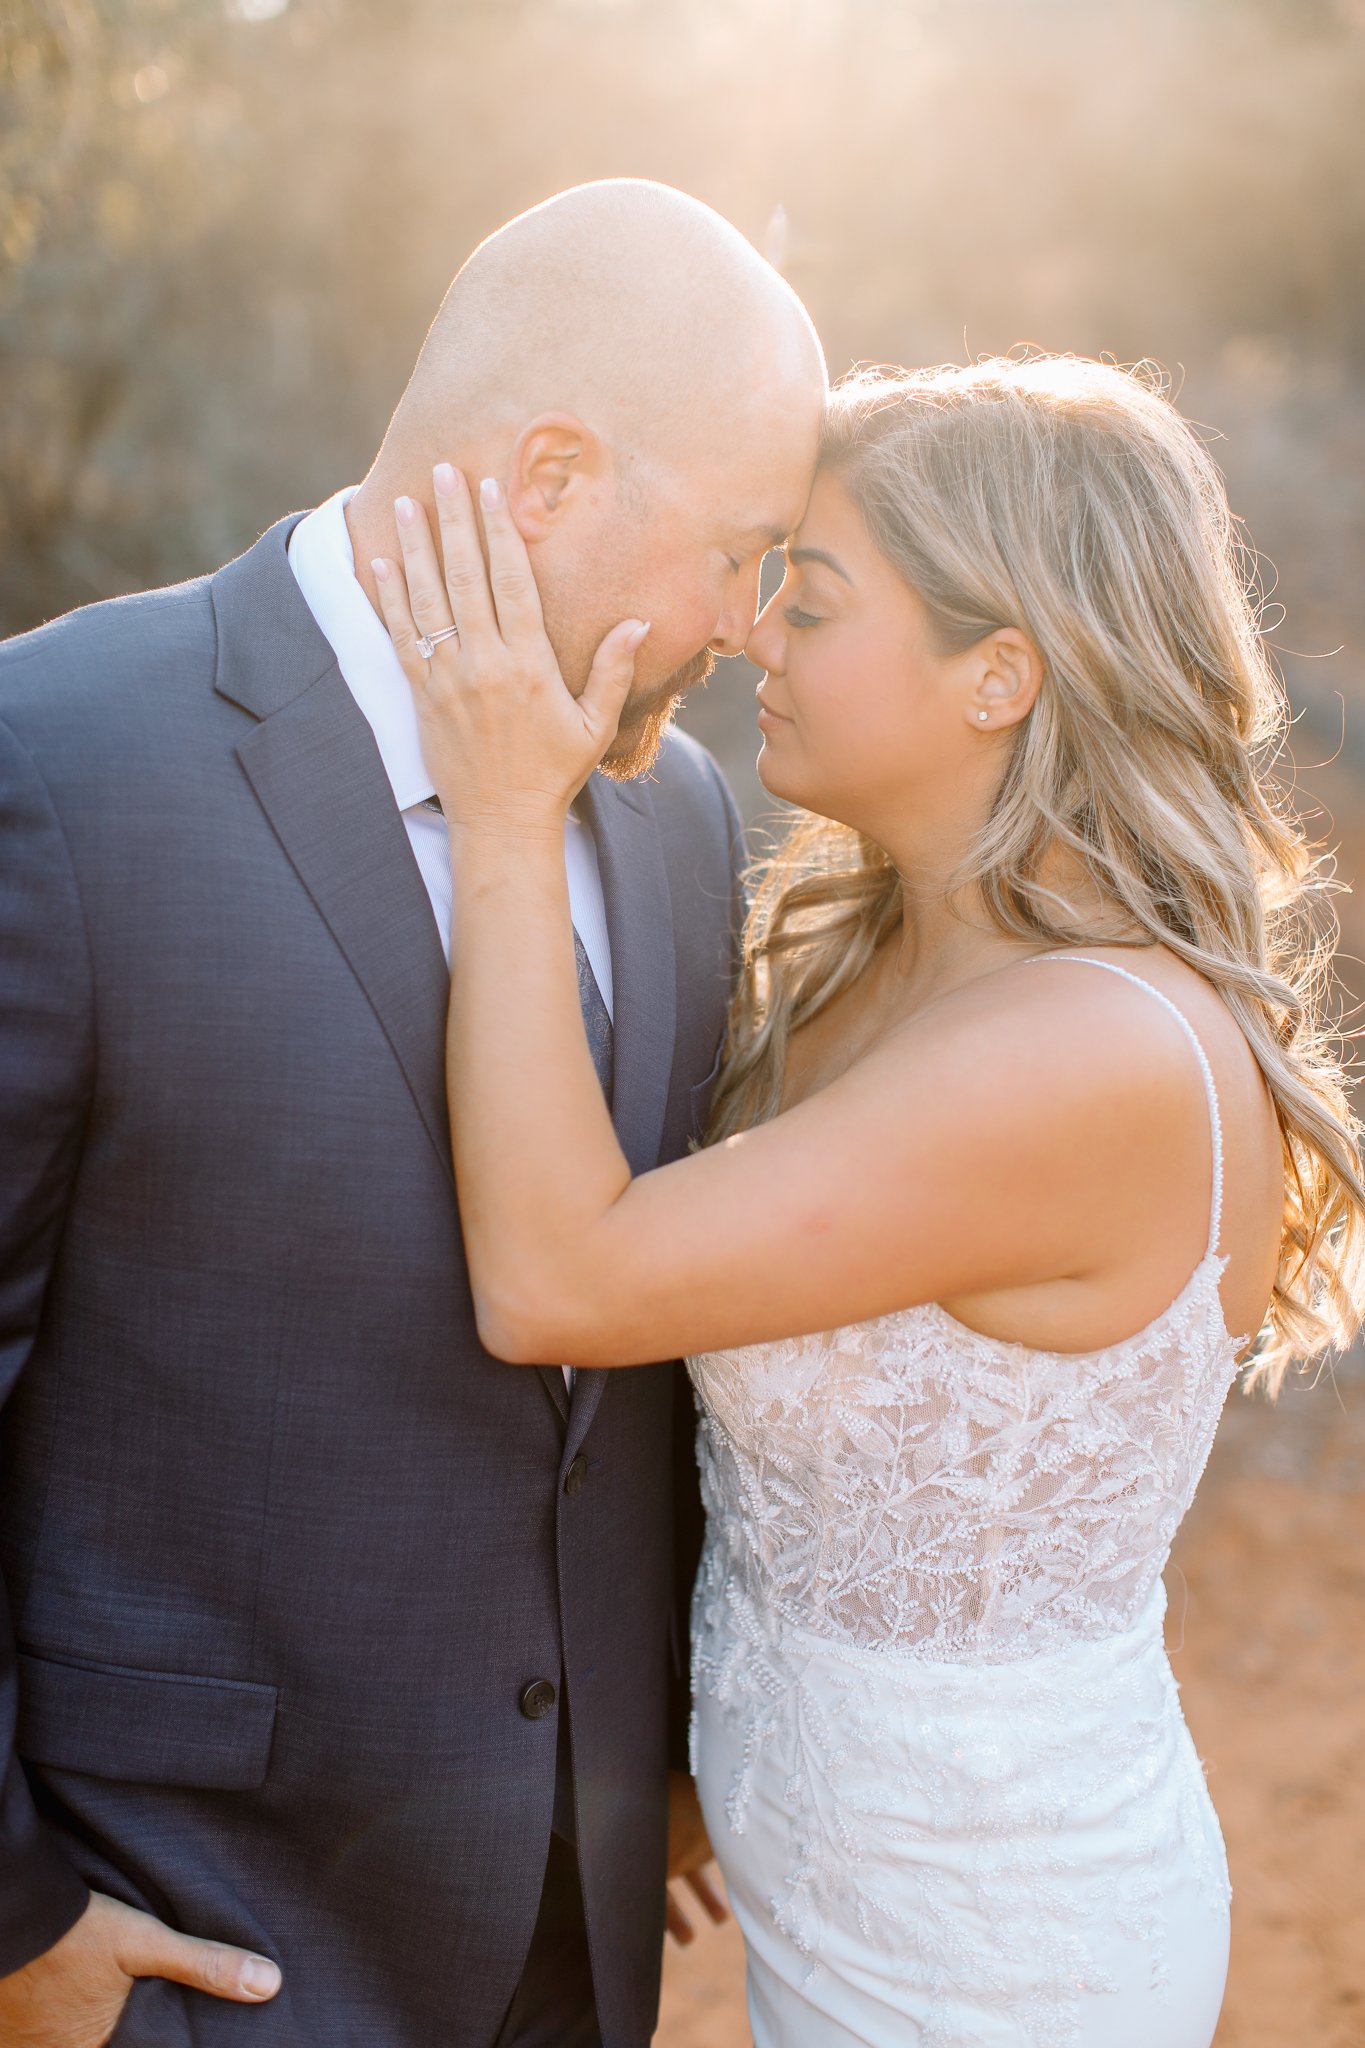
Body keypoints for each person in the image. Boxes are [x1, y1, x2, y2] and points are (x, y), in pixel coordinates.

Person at [372, 352, 1365, 2048]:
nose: (753, 633)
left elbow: (555, 1280)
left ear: (999, 675)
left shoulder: (1084, 1058)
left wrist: (503, 816)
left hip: (1000, 1947)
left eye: (810, 603)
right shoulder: (865, 963)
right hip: (827, 1882)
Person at [0, 180, 825, 2047]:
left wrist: (653, 1750)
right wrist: (11, 1918)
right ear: (547, 474)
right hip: (192, 1946)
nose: (741, 622)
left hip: (572, 1938)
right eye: (737, 549)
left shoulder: (677, 816)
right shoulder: (58, 762)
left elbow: (632, 1371)